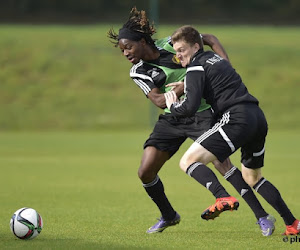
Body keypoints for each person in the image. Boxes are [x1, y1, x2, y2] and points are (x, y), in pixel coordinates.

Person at [107, 7, 275, 236]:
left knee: (222, 163)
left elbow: (210, 39)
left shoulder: (170, 44)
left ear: (143, 41)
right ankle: (169, 215)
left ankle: (262, 217)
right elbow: (157, 98)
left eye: (128, 47)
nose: (125, 53)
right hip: (173, 117)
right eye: (122, 50)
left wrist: (224, 65)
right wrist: (182, 89)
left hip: (202, 112)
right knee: (145, 171)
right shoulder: (138, 71)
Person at [165, 25, 300, 236]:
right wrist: (187, 84)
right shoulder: (215, 59)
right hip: (256, 117)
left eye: (182, 49)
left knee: (187, 161)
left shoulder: (195, 67)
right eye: (176, 51)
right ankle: (292, 223)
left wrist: (173, 104)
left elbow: (189, 107)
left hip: (236, 118)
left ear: (195, 46)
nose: (178, 55)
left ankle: (222, 196)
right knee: (253, 177)